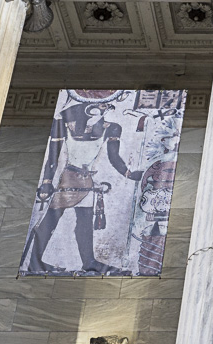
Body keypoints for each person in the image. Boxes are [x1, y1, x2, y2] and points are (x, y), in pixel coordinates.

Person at [23, 99, 140, 275]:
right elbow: (53, 157)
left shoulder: (112, 127)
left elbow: (114, 157)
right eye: (99, 106)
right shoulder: (65, 124)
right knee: (51, 218)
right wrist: (47, 182)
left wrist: (128, 173)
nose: (102, 110)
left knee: (84, 221)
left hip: (87, 180)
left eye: (105, 107)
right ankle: (34, 261)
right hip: (70, 177)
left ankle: (89, 261)